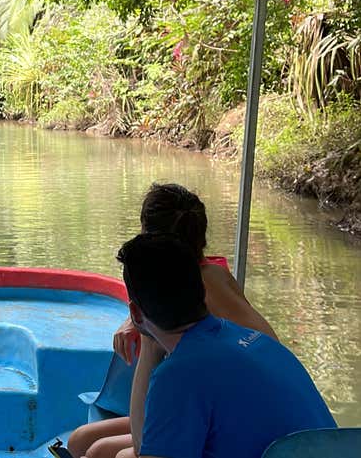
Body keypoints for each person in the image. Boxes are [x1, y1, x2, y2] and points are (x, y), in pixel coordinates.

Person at [69, 184, 278, 458]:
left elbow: (145, 442)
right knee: (82, 440)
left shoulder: (194, 310)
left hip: (234, 418)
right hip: (239, 405)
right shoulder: (213, 275)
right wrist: (137, 321)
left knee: (100, 452)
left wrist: (145, 331)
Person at [113, 233, 336, 458]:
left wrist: (150, 346)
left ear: (135, 314)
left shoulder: (178, 375)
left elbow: (143, 447)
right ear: (201, 291)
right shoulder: (257, 340)